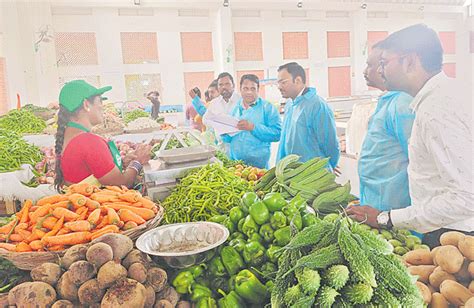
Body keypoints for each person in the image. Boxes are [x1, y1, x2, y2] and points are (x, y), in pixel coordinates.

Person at [347, 24, 473, 247]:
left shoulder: (437, 110)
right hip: (445, 227)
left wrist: (386, 218)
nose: (379, 71)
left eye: (384, 63)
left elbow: (466, 197)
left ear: (410, 61)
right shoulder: (437, 99)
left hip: (454, 235)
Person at [54, 80, 151, 191]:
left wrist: (121, 163)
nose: (102, 107)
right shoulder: (88, 141)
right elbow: (121, 184)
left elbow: (86, 170)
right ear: (86, 104)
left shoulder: (68, 135)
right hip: (96, 206)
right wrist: (137, 162)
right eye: (100, 101)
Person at [358, 43, 415, 211]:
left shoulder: (403, 104)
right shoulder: (388, 101)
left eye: (371, 65)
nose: (364, 71)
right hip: (376, 200)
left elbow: (416, 159)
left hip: (394, 203)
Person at [276, 62, 340, 169]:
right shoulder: (290, 104)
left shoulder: (317, 105)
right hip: (291, 172)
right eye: (278, 83)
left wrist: (328, 164)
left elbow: (330, 143)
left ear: (298, 80)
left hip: (312, 174)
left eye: (283, 82)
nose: (279, 87)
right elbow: (284, 140)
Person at [221, 74, 281, 168]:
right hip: (236, 165)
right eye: (245, 88)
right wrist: (224, 133)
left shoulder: (267, 108)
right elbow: (228, 139)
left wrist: (253, 127)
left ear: (258, 90)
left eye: (253, 88)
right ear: (240, 89)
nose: (249, 92)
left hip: (259, 167)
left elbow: (277, 134)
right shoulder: (234, 108)